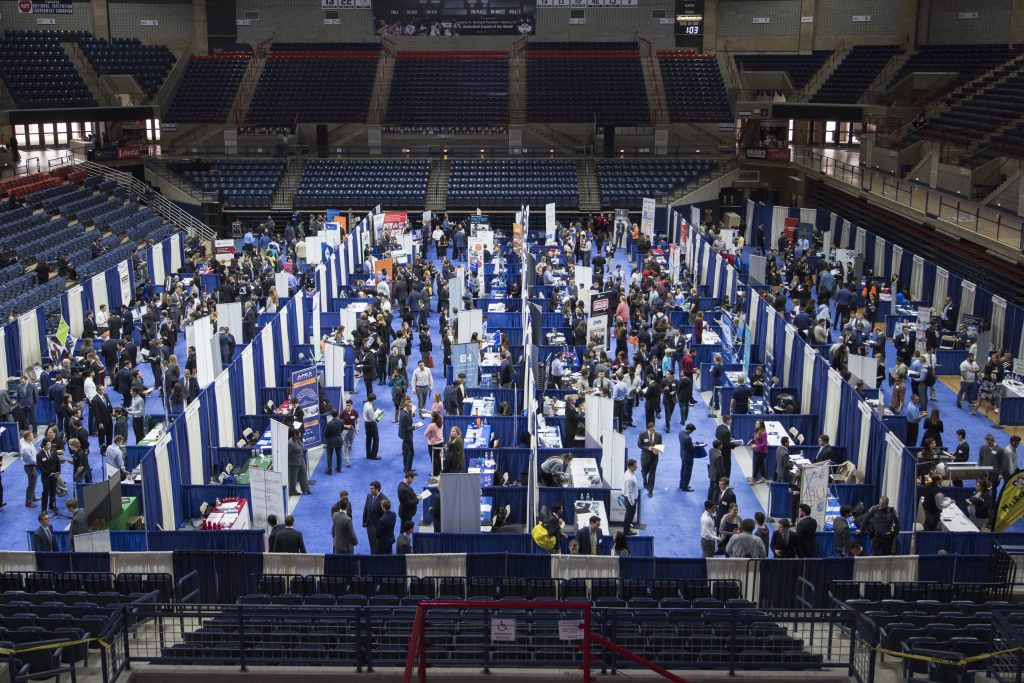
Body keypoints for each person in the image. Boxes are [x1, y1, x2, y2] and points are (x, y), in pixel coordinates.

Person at [36, 438, 60, 513]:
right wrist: (49, 473)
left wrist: (58, 472)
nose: (50, 446)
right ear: (44, 445)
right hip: (46, 477)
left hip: (54, 476)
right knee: (45, 492)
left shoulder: (53, 451)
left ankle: (51, 505)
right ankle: (44, 509)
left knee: (53, 491)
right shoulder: (39, 455)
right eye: (48, 444)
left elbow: (57, 462)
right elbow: (40, 466)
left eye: (50, 444)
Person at [638, 422, 662, 497]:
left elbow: (660, 445)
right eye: (651, 430)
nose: (653, 432)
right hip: (645, 458)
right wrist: (647, 448)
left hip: (654, 458)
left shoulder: (659, 435)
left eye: (654, 430)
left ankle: (650, 490)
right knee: (644, 473)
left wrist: (657, 450)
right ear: (648, 429)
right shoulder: (642, 435)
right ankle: (645, 481)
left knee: (652, 474)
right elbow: (639, 444)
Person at [362, 481, 385, 554]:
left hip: (378, 528)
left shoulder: (383, 500)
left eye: (372, 489)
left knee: (378, 547)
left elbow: (384, 517)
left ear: (377, 489)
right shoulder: (369, 496)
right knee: (372, 545)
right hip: (369, 525)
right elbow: (366, 509)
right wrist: (364, 521)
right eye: (370, 488)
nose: (370, 490)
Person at [287, 429, 311, 496]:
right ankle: (292, 491)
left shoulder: (298, 439)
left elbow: (301, 446)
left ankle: (306, 489)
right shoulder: (290, 443)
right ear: (295, 435)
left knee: (304, 474)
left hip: (301, 460)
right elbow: (286, 454)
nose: (300, 434)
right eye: (299, 433)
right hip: (293, 463)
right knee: (293, 478)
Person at [20, 429, 38, 508]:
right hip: (30, 467)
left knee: (33, 483)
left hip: (32, 465)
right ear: (27, 437)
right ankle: (28, 502)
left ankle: (33, 497)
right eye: (31, 435)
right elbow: (30, 460)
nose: (33, 436)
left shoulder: (29, 442)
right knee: (31, 484)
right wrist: (40, 463)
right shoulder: (25, 448)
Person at [678, 423, 698, 492]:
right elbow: (692, 449)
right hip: (688, 457)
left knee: (683, 470)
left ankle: (681, 484)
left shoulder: (681, 432)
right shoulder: (688, 438)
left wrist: (691, 443)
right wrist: (695, 446)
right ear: (689, 430)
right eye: (692, 431)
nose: (692, 432)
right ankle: (685, 487)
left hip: (683, 454)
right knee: (687, 472)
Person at [398, 397, 415, 473]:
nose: (412, 408)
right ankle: (408, 470)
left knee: (405, 453)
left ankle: (406, 468)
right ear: (406, 406)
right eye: (410, 406)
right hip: (407, 436)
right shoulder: (405, 415)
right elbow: (407, 429)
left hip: (404, 435)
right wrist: (415, 426)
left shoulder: (403, 412)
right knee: (411, 453)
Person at [622, 459, 639, 535]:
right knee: (629, 517)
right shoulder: (630, 478)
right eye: (635, 466)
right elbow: (629, 493)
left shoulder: (629, 472)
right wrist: (632, 503)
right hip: (630, 500)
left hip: (629, 498)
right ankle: (627, 531)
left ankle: (627, 530)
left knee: (628, 516)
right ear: (630, 466)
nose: (637, 467)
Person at [749, 419, 769, 484]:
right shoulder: (757, 431)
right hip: (758, 451)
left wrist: (756, 446)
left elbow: (764, 444)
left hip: (763, 452)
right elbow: (756, 440)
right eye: (756, 423)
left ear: (761, 425)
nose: (756, 425)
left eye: (757, 424)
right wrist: (752, 442)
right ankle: (763, 478)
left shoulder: (764, 433)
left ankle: (753, 479)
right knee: (761, 464)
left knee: (757, 465)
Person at [363, 393, 380, 460]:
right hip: (371, 424)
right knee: (376, 439)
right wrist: (377, 413)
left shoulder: (366, 404)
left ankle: (368, 454)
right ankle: (374, 456)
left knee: (368, 439)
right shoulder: (370, 407)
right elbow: (372, 418)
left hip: (366, 423)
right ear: (373, 400)